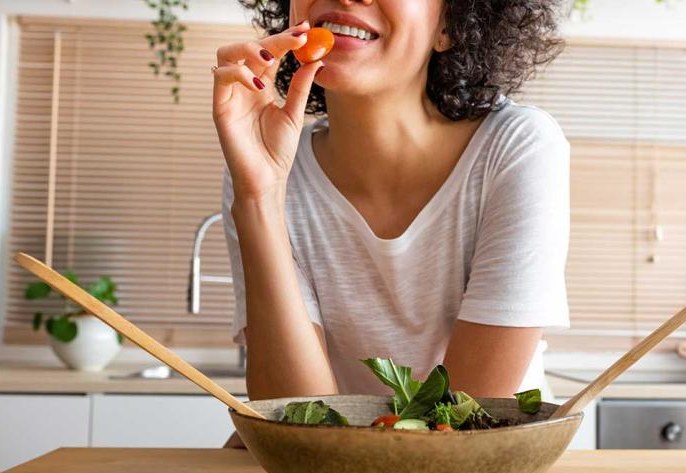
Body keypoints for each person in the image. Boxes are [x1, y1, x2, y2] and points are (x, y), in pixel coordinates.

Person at [213, 0, 569, 434]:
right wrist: (259, 198)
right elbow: (297, 422)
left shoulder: (517, 149)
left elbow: (454, 430)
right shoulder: (265, 167)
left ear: (450, 25)